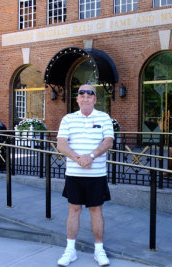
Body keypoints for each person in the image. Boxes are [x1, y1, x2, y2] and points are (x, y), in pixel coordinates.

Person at [56, 84, 114, 266]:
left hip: (96, 175)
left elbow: (108, 141)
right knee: (74, 210)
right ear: (77, 99)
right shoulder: (68, 119)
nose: (86, 97)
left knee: (96, 210)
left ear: (95, 99)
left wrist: (91, 156)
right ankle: (70, 250)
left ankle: (99, 251)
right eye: (82, 94)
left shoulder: (104, 118)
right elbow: (61, 144)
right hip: (74, 174)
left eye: (90, 95)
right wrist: (78, 158)